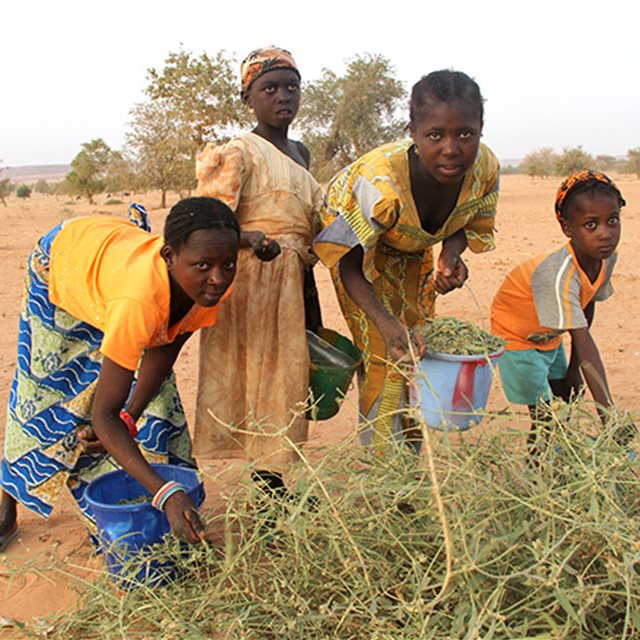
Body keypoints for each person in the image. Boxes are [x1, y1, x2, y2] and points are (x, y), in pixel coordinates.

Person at [0, 197, 239, 551]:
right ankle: (6, 505)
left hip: (118, 266)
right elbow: (103, 415)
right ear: (170, 257)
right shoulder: (137, 304)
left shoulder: (208, 283)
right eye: (204, 265)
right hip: (63, 262)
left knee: (157, 395)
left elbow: (167, 342)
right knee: (50, 390)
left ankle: (164, 500)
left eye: (228, 264)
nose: (218, 278)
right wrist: (164, 493)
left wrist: (130, 415)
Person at [313, 70, 500, 454]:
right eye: (435, 135)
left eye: (465, 134)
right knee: (384, 351)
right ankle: (387, 469)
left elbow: (465, 222)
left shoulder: (484, 171)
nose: (451, 148)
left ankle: (412, 452)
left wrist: (451, 254)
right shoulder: (379, 183)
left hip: (409, 244)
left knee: (418, 346)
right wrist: (384, 321)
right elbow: (350, 265)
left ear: (481, 129)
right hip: (357, 251)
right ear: (412, 132)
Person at [194, 47, 323, 499]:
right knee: (254, 381)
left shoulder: (301, 153)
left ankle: (272, 486)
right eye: (269, 88)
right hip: (251, 283)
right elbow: (208, 224)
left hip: (294, 282)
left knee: (286, 384)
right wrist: (249, 240)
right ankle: (262, 494)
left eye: (291, 87)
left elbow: (312, 222)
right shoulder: (238, 152)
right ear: (248, 96)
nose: (282, 97)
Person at [491, 171, 626, 454]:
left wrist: (573, 370)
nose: (606, 233)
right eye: (591, 224)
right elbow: (584, 340)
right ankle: (537, 477)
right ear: (567, 227)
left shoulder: (604, 259)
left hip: (549, 336)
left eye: (612, 220)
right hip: (518, 341)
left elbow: (586, 308)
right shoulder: (556, 273)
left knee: (563, 404)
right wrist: (609, 418)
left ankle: (555, 465)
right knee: (546, 420)